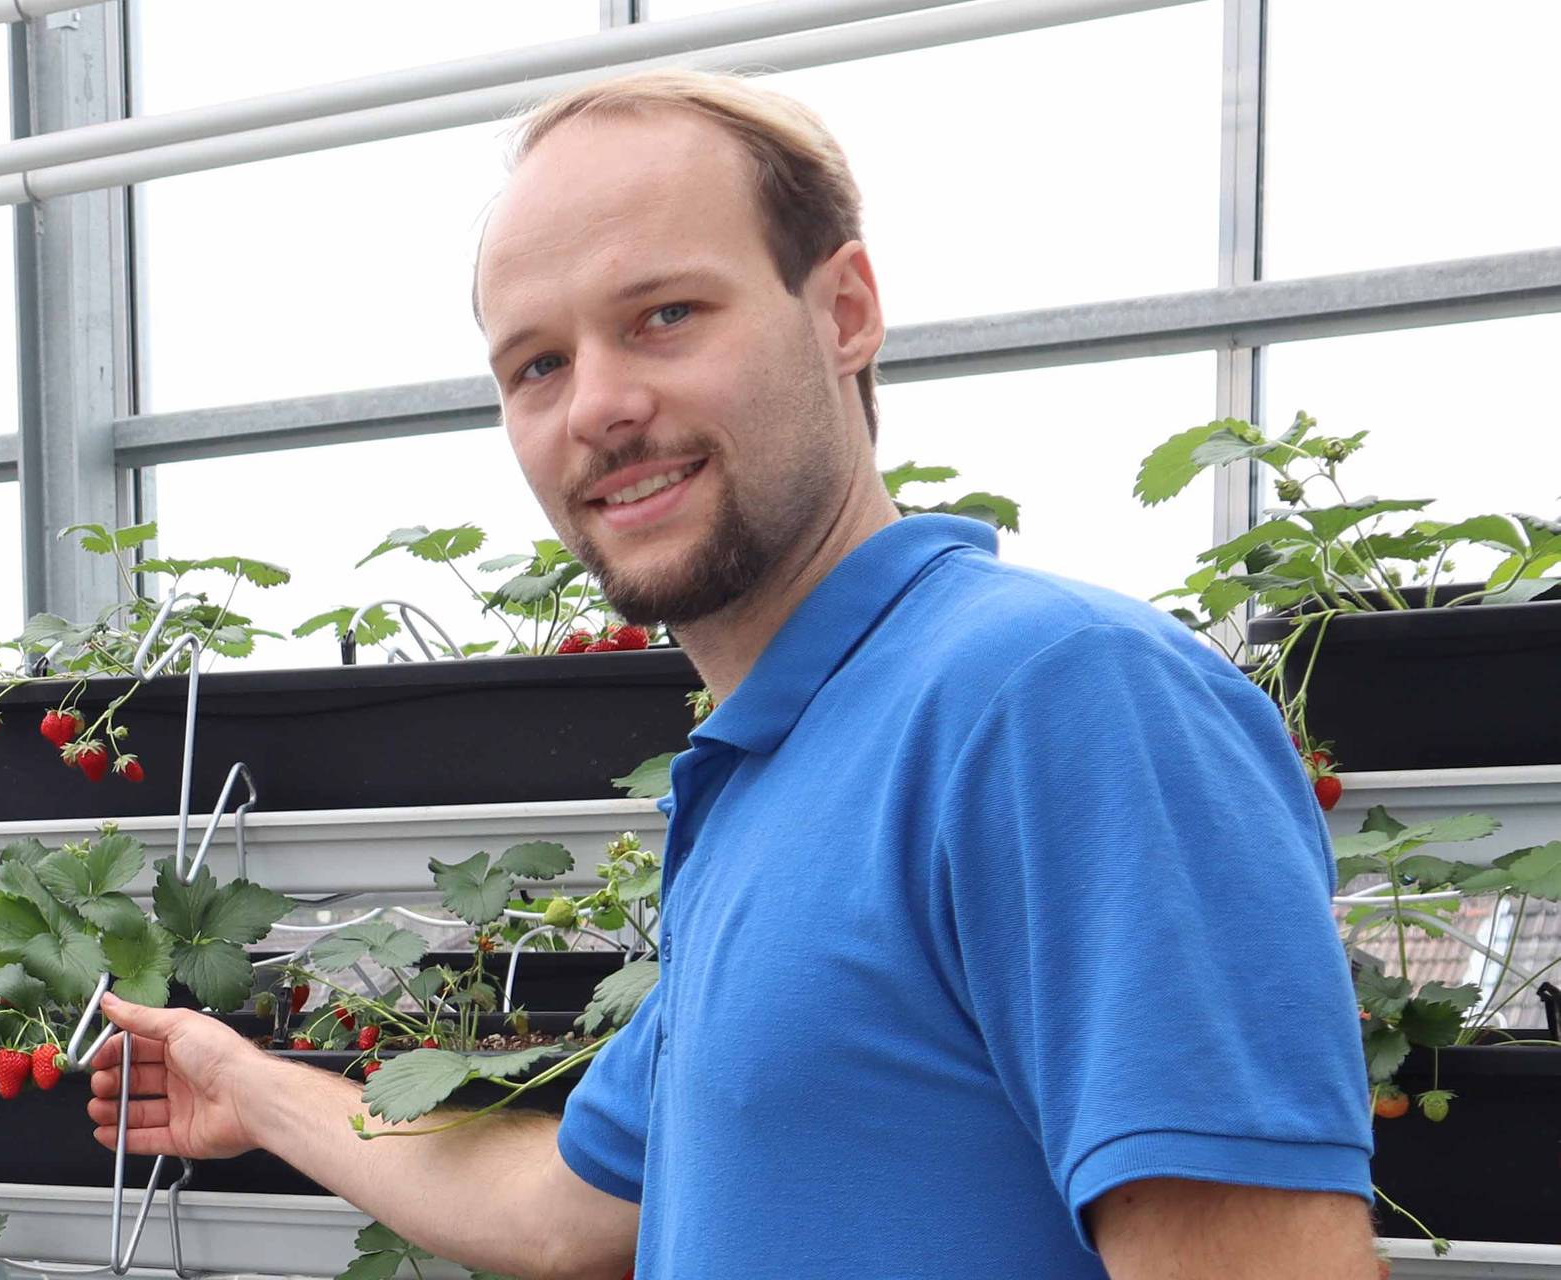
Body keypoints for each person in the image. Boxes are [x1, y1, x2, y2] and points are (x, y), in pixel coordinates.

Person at [88, 70, 1375, 1280]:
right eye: (536, 361)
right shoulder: (767, 770)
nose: (595, 403)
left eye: (663, 314)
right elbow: (560, 1210)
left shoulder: (1052, 700)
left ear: (844, 312)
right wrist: (247, 1083)